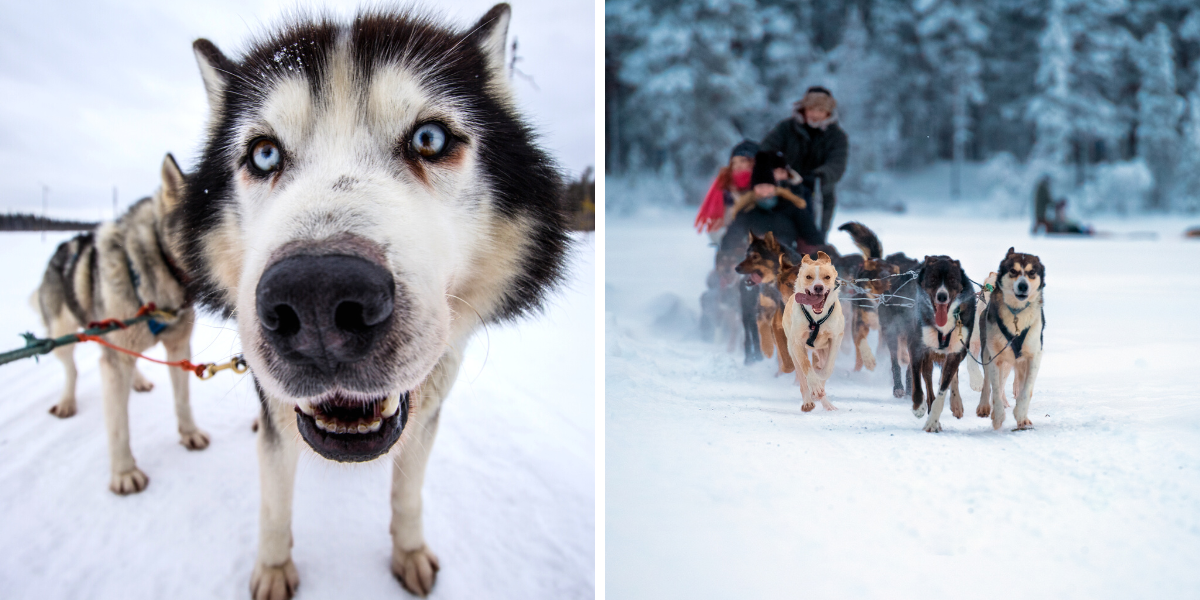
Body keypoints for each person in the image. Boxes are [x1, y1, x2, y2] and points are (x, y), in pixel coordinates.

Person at [760, 86, 849, 242]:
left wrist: (819, 175)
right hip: (785, 190)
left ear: (828, 112)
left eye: (821, 110)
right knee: (780, 237)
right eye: (812, 109)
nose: (815, 115)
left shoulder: (837, 136)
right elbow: (767, 150)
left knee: (813, 242)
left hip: (820, 194)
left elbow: (837, 164)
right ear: (804, 109)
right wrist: (778, 169)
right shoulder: (786, 128)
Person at [694, 140, 759, 244]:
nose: (738, 166)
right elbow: (714, 227)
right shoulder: (724, 185)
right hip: (731, 240)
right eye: (734, 162)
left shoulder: (766, 184)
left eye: (743, 161)